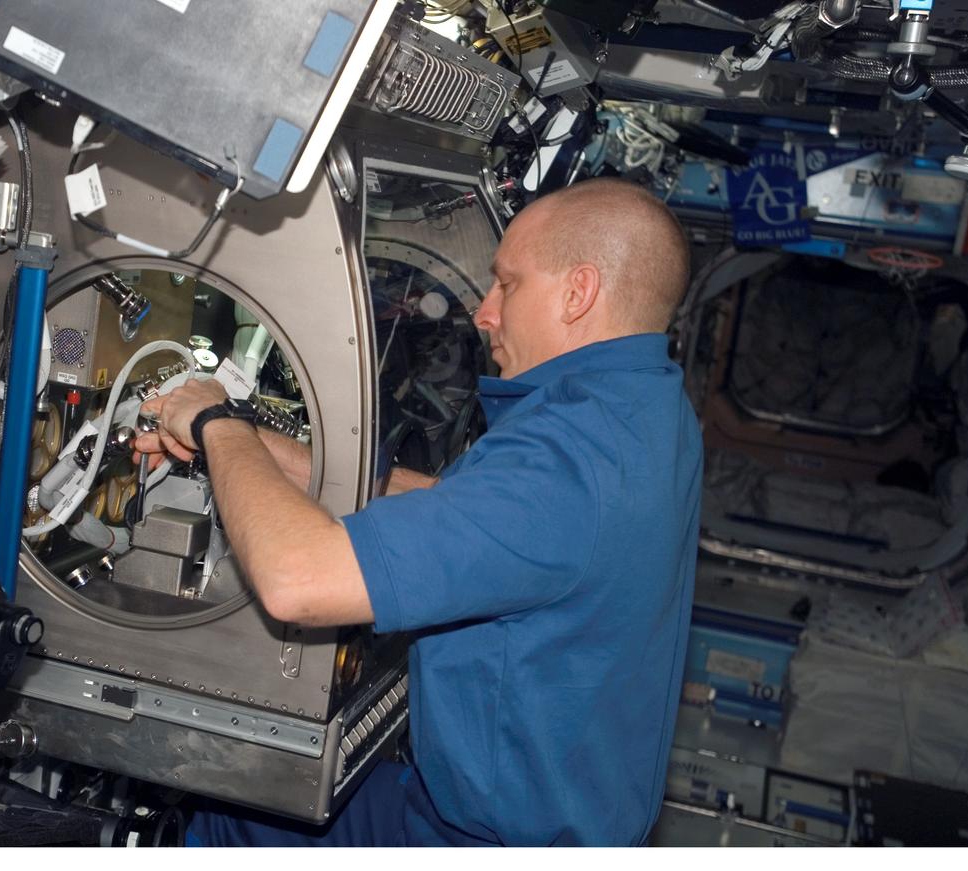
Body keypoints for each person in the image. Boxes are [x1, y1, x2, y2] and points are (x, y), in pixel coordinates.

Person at [134, 177, 703, 846]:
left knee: (230, 802)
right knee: (247, 808)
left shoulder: (569, 462)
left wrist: (213, 418)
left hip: (491, 841)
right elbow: (467, 513)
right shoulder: (643, 409)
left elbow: (297, 579)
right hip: (504, 808)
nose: (485, 311)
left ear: (578, 292)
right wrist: (257, 451)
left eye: (509, 285)